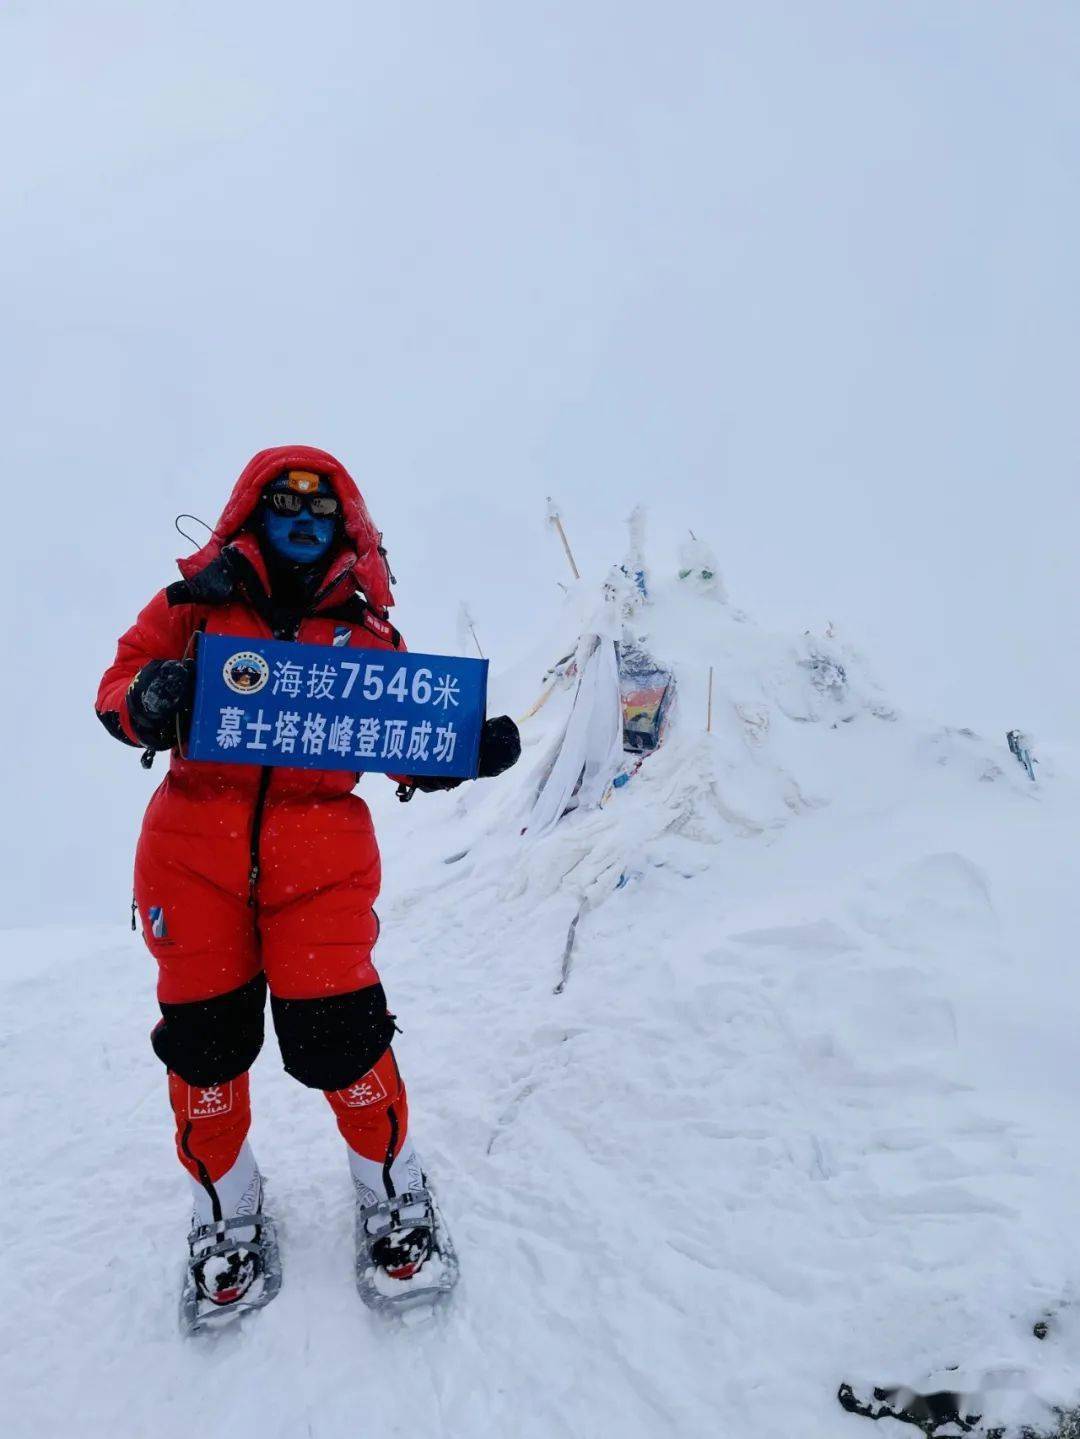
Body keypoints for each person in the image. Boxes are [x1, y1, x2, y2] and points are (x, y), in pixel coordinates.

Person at [95, 445, 520, 1323]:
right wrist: (150, 695)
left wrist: (455, 756)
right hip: (189, 855)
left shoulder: (365, 633)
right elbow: (116, 687)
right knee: (204, 1047)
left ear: (344, 525)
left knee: (342, 1034)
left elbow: (400, 732)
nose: (300, 520)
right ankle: (226, 1206)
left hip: (320, 864)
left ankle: (391, 1186)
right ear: (251, 510)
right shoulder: (192, 606)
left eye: (318, 509)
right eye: (282, 503)